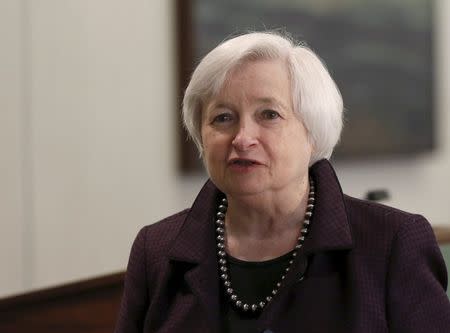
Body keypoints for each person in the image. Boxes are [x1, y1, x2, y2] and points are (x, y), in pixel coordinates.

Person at [115, 32, 450, 333]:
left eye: (269, 115)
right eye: (222, 118)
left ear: (313, 133)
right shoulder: (156, 251)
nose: (243, 138)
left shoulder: (392, 244)